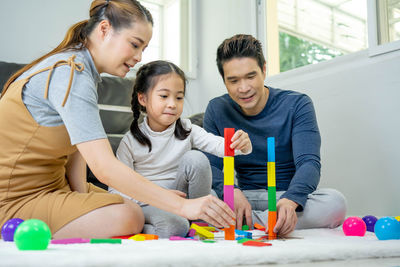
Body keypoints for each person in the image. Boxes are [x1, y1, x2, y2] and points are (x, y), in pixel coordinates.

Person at [0, 0, 235, 240]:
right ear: (104, 29)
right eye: (134, 44)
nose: (139, 57)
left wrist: (82, 198)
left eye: (143, 48)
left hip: (53, 188)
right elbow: (104, 168)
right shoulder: (72, 72)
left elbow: (77, 150)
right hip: (15, 199)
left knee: (131, 204)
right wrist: (184, 207)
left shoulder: (82, 70)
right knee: (129, 214)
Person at [204, 34, 347, 236]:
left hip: (284, 198)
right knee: (201, 198)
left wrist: (291, 200)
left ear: (263, 69)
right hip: (242, 196)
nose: (243, 88)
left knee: (334, 203)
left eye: (250, 76)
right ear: (224, 81)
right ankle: (269, 222)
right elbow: (211, 166)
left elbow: (309, 163)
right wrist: (232, 191)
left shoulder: (297, 104)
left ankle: (246, 222)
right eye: (233, 80)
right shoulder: (217, 108)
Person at [108, 60, 252, 237]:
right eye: (164, 96)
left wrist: (241, 144)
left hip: (186, 198)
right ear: (143, 98)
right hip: (150, 202)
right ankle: (170, 227)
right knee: (174, 226)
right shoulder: (130, 142)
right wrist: (160, 195)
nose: (172, 104)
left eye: (179, 97)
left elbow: (222, 147)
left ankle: (199, 222)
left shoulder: (187, 129)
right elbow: (116, 189)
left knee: (196, 158)